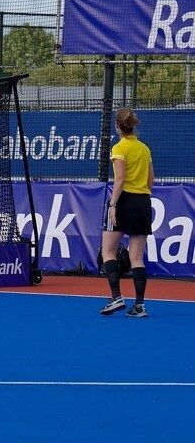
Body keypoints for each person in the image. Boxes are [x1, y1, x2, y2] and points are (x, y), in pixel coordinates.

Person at [99, 108, 154, 318]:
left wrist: (113, 205)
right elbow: (151, 181)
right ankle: (139, 305)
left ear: (117, 127)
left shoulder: (119, 148)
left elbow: (120, 179)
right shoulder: (144, 148)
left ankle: (116, 298)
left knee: (108, 251)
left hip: (124, 201)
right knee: (137, 257)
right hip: (143, 202)